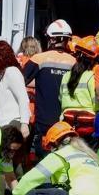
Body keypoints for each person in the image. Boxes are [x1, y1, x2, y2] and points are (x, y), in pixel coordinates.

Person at [22, 19, 76, 157]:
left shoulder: (39, 59)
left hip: (44, 120)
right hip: (66, 119)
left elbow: (21, 80)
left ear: (51, 39)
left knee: (43, 159)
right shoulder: (74, 62)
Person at [60, 36, 99, 129]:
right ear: (93, 59)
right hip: (87, 124)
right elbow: (98, 102)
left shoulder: (66, 76)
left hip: (68, 123)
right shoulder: (90, 76)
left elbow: (61, 98)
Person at [0, 40, 30, 138]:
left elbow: (23, 98)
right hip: (1, 126)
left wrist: (24, 124)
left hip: (12, 125)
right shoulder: (1, 75)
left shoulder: (12, 72)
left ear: (1, 57)